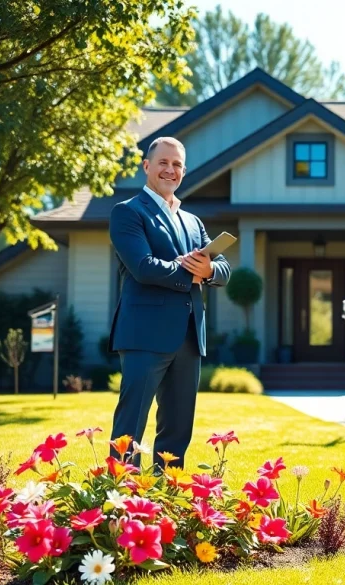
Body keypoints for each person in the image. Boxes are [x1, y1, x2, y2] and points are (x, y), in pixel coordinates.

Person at [107, 136, 231, 471]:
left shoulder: (193, 222)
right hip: (144, 335)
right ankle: (120, 502)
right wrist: (193, 274)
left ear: (183, 171)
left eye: (177, 164)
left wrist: (208, 270)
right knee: (129, 427)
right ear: (146, 166)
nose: (170, 170)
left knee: (177, 429)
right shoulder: (128, 213)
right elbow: (143, 267)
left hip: (189, 337)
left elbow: (222, 269)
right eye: (163, 162)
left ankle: (169, 501)